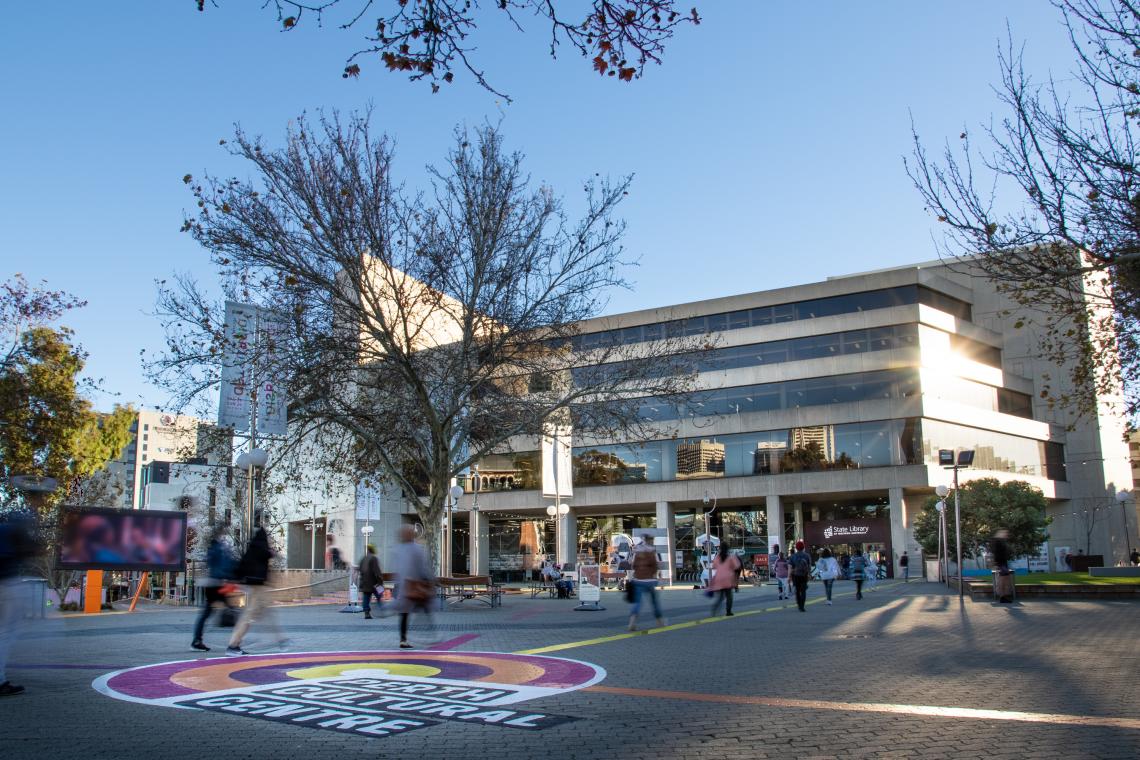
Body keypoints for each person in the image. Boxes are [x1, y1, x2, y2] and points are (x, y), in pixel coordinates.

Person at [226, 526, 286, 656]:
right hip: (259, 587)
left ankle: (280, 640)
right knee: (250, 616)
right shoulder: (261, 548)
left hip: (255, 586)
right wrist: (273, 552)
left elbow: (242, 565)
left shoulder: (252, 548)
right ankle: (233, 645)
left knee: (264, 614)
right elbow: (270, 554)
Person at [0, 511, 37, 697]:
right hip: (7, 582)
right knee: (7, 632)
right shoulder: (12, 532)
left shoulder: (4, 530)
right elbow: (30, 549)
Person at [191, 527, 236, 651]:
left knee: (206, 613)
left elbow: (211, 564)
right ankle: (235, 644)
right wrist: (232, 576)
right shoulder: (220, 548)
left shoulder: (212, 547)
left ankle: (197, 640)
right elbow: (226, 564)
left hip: (212, 583)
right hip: (217, 584)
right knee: (232, 611)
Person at [393, 524, 435, 649]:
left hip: (404, 586)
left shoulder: (397, 549)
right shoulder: (417, 549)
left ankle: (403, 639)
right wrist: (429, 581)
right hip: (414, 586)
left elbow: (397, 569)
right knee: (422, 609)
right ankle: (430, 635)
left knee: (405, 613)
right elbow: (423, 568)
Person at [628, 535, 665, 630]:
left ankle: (632, 622)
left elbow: (632, 565)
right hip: (650, 581)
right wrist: (657, 576)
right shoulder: (652, 551)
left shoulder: (637, 551)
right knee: (654, 602)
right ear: (650, 540)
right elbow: (657, 565)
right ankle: (659, 622)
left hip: (638, 580)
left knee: (638, 602)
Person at [709, 544, 741, 617]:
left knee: (720, 597)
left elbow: (714, 567)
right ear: (727, 549)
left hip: (719, 579)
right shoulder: (731, 557)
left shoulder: (717, 557)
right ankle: (728, 611)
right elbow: (737, 567)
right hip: (728, 579)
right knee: (729, 596)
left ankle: (714, 608)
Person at [357, 544, 384, 619]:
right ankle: (380, 610)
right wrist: (380, 580)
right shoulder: (374, 558)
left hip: (365, 583)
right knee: (379, 595)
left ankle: (366, 612)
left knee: (366, 597)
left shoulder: (363, 558)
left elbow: (360, 569)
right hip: (374, 583)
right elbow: (377, 571)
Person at [788, 540, 812, 612]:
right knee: (803, 591)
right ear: (803, 547)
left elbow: (790, 567)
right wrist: (809, 574)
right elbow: (809, 566)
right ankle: (802, 606)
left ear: (796, 548)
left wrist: (789, 577)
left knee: (797, 591)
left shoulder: (792, 556)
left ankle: (799, 605)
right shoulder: (807, 555)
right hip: (804, 575)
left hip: (795, 575)